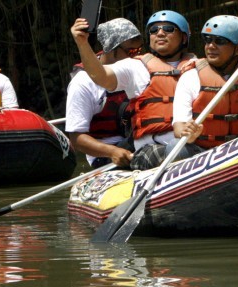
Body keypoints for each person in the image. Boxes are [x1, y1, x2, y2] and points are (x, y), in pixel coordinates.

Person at [70, 10, 198, 170]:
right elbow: (99, 75)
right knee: (179, 150)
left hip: (188, 142)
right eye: (154, 30)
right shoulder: (134, 67)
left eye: (168, 29)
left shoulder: (199, 66)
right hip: (147, 150)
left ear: (184, 37)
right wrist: (83, 43)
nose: (160, 33)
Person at [168, 15, 238, 163]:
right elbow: (179, 127)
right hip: (205, 152)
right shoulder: (191, 76)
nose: (211, 46)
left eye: (220, 41)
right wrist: (188, 133)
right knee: (175, 147)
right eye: (208, 40)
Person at [65, 18, 142, 168]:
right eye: (131, 52)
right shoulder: (83, 82)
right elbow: (76, 138)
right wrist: (113, 151)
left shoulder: (140, 68)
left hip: (138, 141)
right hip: (107, 156)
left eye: (139, 51)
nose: (136, 57)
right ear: (111, 49)